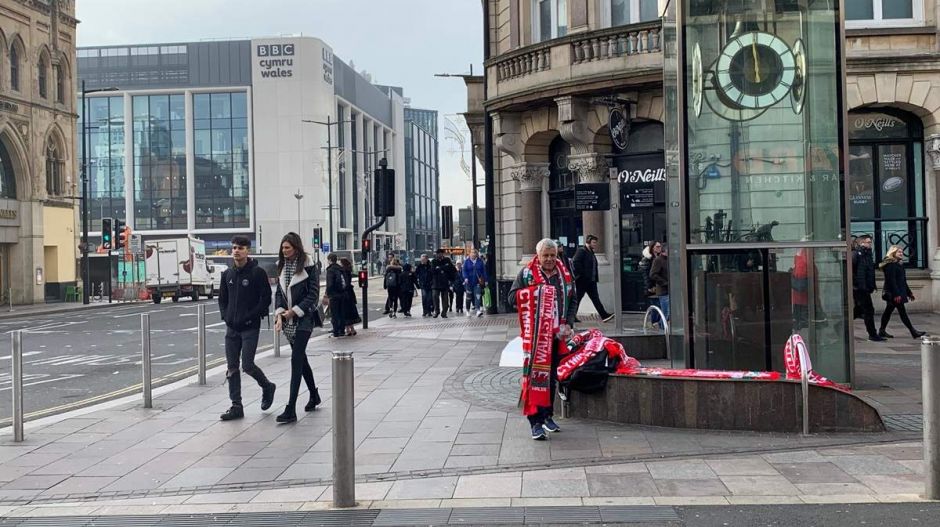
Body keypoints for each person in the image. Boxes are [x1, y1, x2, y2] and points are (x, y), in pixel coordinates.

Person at [509, 239, 578, 441]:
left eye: (552, 255)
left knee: (551, 378)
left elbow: (573, 298)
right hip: (536, 338)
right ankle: (535, 422)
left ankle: (547, 415)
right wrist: (536, 293)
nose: (549, 259)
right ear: (537, 256)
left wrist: (569, 322)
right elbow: (512, 298)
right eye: (545, 255)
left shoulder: (565, 274)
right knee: (534, 378)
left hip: (557, 335)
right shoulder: (527, 274)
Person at [218, 235, 275, 421]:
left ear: (247, 251)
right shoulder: (227, 274)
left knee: (248, 365)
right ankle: (236, 405)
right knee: (232, 368)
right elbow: (222, 299)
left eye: (240, 248)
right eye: (234, 247)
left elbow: (265, 299)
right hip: (232, 329)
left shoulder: (257, 273)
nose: (236, 251)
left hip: (250, 327)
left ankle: (267, 386)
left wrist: (251, 316)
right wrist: (226, 317)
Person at [273, 233, 322, 423]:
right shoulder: (282, 266)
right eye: (283, 248)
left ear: (296, 248)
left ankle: (290, 408)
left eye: (288, 247)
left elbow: (313, 295)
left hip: (304, 319)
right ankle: (314, 395)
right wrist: (279, 313)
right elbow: (279, 293)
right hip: (287, 321)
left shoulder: (308, 264)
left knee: (296, 360)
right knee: (302, 360)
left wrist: (294, 311)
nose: (285, 251)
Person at [879, 245, 927, 339]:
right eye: (899, 252)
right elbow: (891, 281)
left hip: (899, 292)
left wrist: (909, 293)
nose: (901, 253)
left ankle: (882, 330)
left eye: (901, 252)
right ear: (893, 253)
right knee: (902, 312)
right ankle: (913, 332)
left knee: (888, 312)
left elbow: (903, 280)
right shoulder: (890, 265)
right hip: (893, 293)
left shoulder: (899, 264)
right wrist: (896, 294)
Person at [572, 235, 614, 323]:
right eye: (593, 242)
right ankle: (572, 316)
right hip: (582, 281)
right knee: (578, 298)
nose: (595, 244)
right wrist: (582, 274)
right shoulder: (581, 251)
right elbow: (575, 262)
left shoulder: (591, 252)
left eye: (596, 243)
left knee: (595, 298)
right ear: (588, 242)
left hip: (591, 281)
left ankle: (604, 315)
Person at [852, 235, 884, 342]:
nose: (870, 244)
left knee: (859, 310)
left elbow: (870, 272)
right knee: (868, 310)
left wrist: (871, 286)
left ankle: (840, 324)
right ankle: (873, 334)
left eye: (870, 242)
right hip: (859, 289)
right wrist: (857, 285)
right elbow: (852, 271)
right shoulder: (856, 254)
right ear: (861, 243)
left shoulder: (868, 255)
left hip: (866, 288)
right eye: (867, 242)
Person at [638, 241, 662, 327]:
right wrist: (649, 286)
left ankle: (656, 322)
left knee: (658, 304)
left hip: (658, 285)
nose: (659, 248)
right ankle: (654, 322)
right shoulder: (647, 259)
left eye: (660, 246)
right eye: (657, 246)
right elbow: (646, 274)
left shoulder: (659, 257)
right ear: (652, 248)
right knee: (655, 305)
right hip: (652, 286)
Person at [324, 253, 346, 338]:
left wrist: (328, 294)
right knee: (341, 313)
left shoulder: (330, 270)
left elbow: (330, 284)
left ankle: (336, 331)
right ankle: (342, 330)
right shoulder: (341, 268)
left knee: (334, 314)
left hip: (334, 295)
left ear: (329, 260)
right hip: (342, 294)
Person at [431, 248, 457, 318]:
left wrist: (439, 268)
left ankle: (444, 312)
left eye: (440, 253)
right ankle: (437, 311)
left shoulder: (447, 260)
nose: (439, 255)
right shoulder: (433, 261)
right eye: (438, 253)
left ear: (442, 254)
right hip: (436, 283)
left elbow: (451, 269)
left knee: (445, 299)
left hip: (445, 282)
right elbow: (433, 271)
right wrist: (444, 268)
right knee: (435, 296)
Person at [462, 248, 488, 317]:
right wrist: (465, 278)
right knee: (468, 297)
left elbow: (484, 271)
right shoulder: (466, 262)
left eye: (475, 253)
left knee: (478, 296)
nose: (473, 254)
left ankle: (478, 310)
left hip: (477, 282)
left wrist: (485, 280)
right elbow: (464, 271)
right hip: (469, 282)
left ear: (476, 254)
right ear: (469, 254)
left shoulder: (480, 261)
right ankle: (467, 310)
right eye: (472, 252)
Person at [649, 245, 669, 329]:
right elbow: (653, 274)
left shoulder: (669, 260)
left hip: (670, 290)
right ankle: (661, 326)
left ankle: (662, 326)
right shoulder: (658, 260)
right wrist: (665, 283)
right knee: (666, 312)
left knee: (669, 313)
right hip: (664, 290)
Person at [340, 257, 360, 336]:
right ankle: (351, 329)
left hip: (346, 294)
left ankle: (348, 329)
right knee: (350, 312)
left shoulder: (344, 271)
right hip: (350, 294)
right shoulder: (348, 270)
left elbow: (345, 283)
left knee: (346, 312)